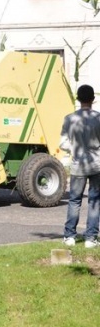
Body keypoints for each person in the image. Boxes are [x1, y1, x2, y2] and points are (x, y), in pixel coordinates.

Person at [59, 84, 100, 248]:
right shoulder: (98, 118)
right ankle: (91, 237)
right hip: (96, 163)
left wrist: (74, 147)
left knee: (74, 200)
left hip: (77, 164)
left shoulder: (69, 119)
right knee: (94, 201)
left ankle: (70, 235)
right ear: (93, 99)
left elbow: (62, 143)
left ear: (78, 98)